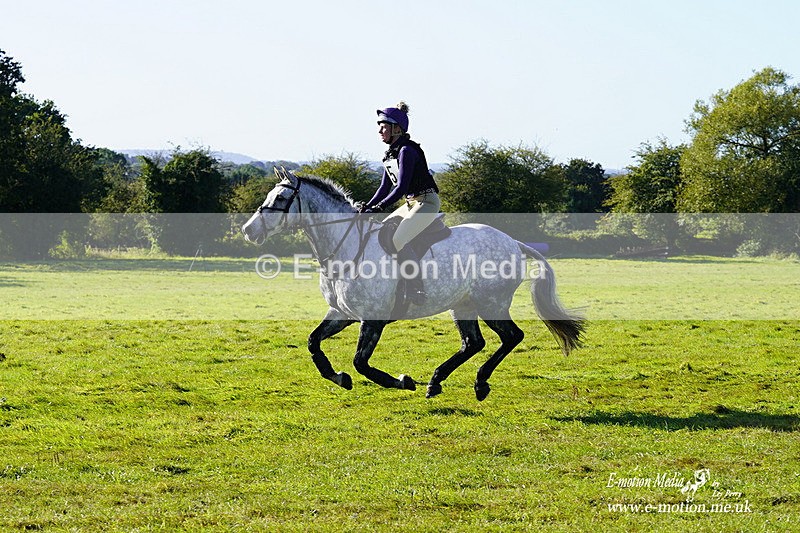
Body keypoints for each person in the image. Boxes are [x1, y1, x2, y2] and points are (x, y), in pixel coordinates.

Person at [362, 102, 440, 305]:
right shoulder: (390, 154)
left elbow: (401, 188)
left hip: (427, 202)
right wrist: (367, 207)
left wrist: (380, 208)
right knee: (379, 235)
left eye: (384, 126)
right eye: (379, 126)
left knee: (397, 241)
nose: (380, 130)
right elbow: (383, 188)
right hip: (410, 204)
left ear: (397, 129)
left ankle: (416, 288)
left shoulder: (407, 151)